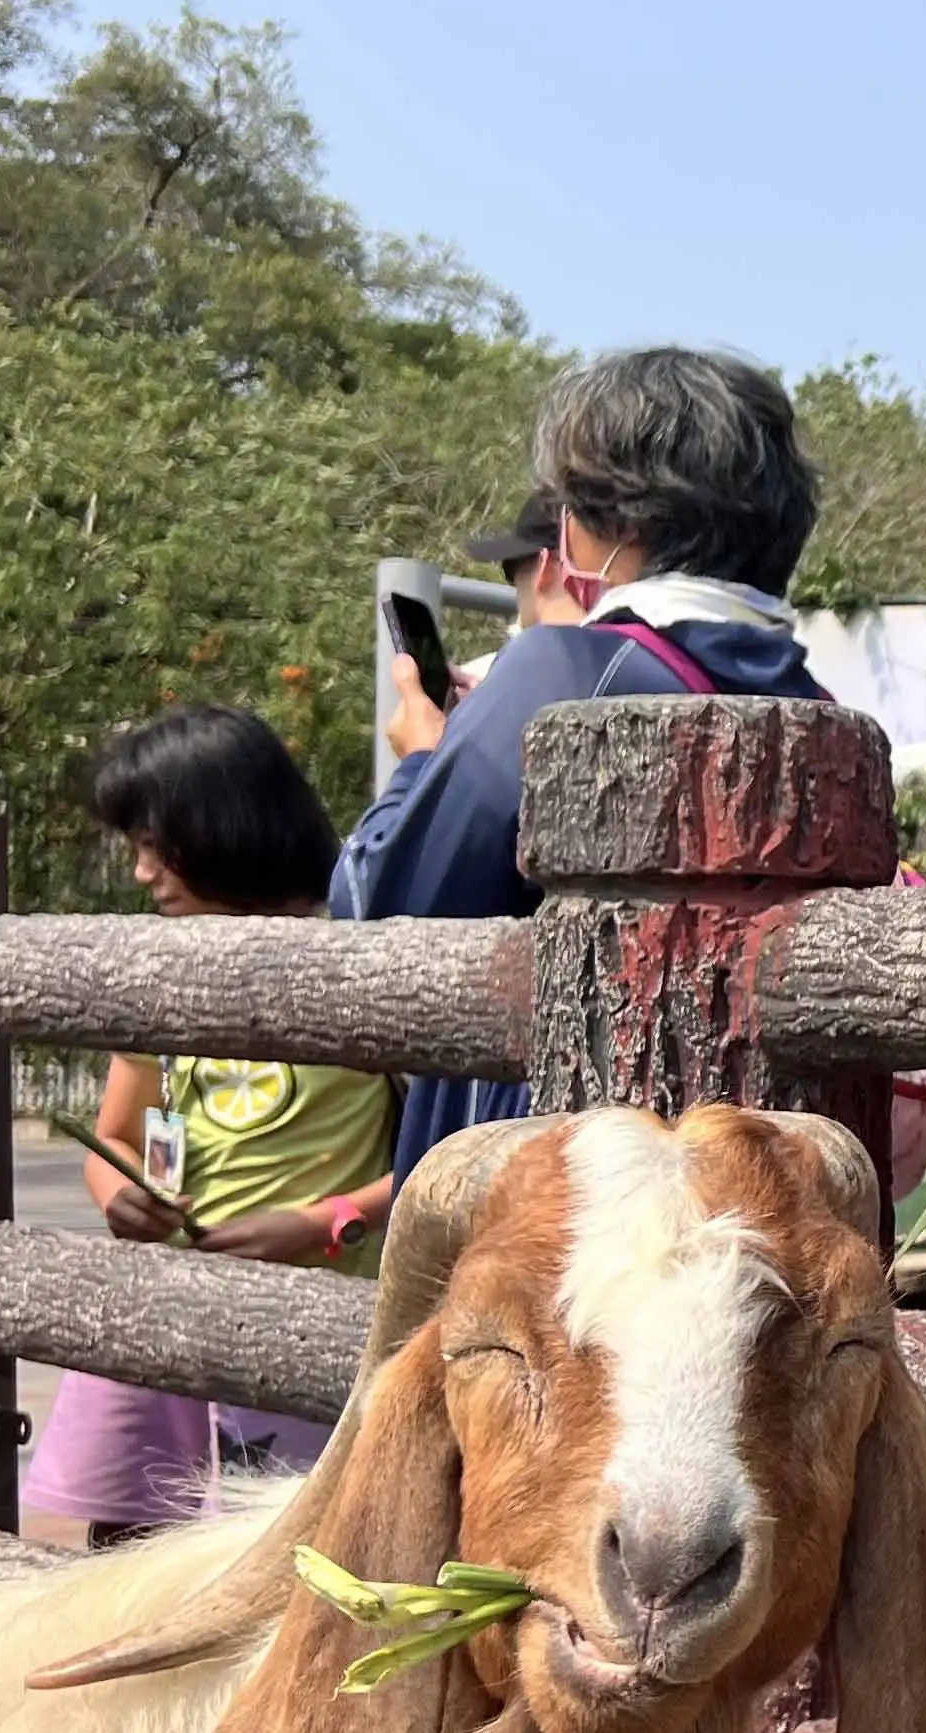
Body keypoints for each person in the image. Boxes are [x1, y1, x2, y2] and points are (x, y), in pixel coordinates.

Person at [333, 347, 831, 1183]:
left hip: (559, 1188)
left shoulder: (563, 672)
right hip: (753, 1176)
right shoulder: (819, 707)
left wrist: (423, 760)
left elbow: (379, 916)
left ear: (605, 528)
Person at [23, 707, 396, 1545]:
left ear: (230, 826)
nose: (142, 872)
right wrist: (120, 1193)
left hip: (304, 1332)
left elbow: (436, 1162)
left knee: (277, 1562)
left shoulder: (366, 961)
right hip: (161, 1324)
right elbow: (116, 1134)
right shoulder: (165, 965)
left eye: (159, 843)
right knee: (128, 1555)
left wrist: (322, 1222)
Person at [462, 490, 588, 634]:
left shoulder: (523, 655)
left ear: (545, 570)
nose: (516, 585)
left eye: (513, 568)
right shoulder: (615, 647)